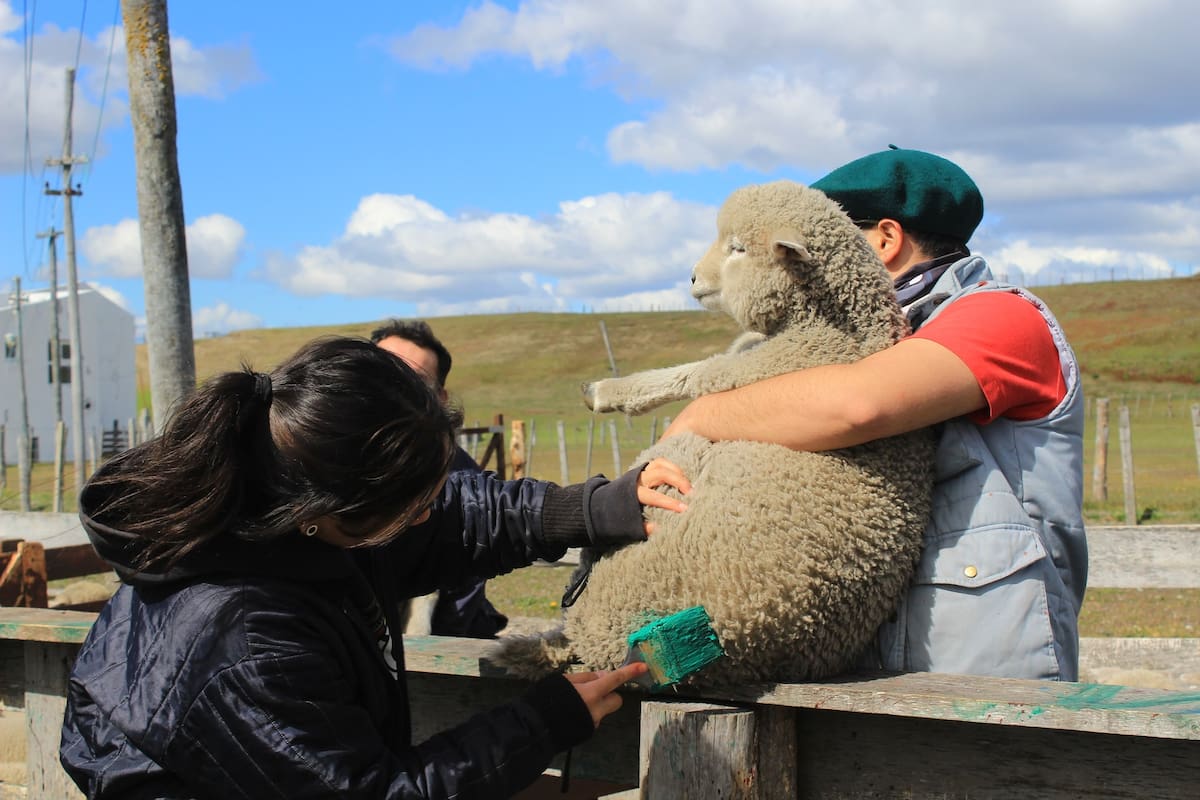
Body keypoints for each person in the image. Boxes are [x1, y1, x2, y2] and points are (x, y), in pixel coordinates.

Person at [59, 336, 691, 798]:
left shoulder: (286, 518)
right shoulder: (247, 638)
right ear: (332, 512)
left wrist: (589, 507)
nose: (427, 517)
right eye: (413, 505)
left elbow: (458, 520)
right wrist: (542, 722)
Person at [664, 147, 1086, 681]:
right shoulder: (853, 339)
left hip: (975, 690)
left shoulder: (1001, 317)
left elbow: (857, 405)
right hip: (847, 678)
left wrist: (702, 415)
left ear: (885, 240)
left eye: (823, 236)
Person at [370, 318, 508, 639]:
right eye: (383, 371)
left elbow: (466, 584)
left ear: (439, 398)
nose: (394, 388)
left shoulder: (462, 478)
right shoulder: (321, 452)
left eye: (414, 380)